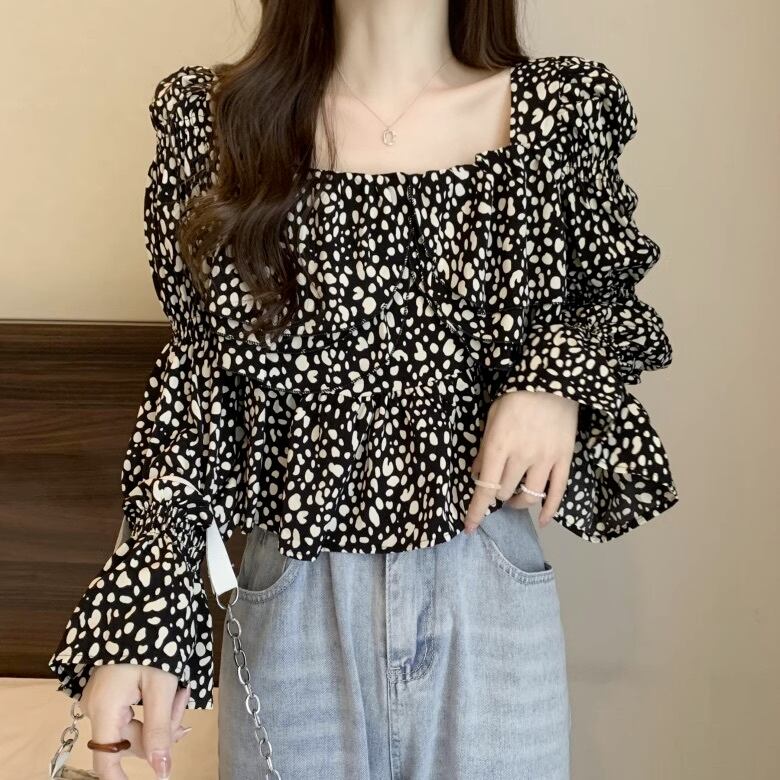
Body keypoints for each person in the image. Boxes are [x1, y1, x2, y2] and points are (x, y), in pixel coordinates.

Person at [48, 1, 680, 778]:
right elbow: (198, 386)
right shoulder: (217, 126)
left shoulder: (557, 115)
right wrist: (142, 610)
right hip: (295, 601)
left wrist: (552, 383)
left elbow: (611, 304)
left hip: (486, 589)